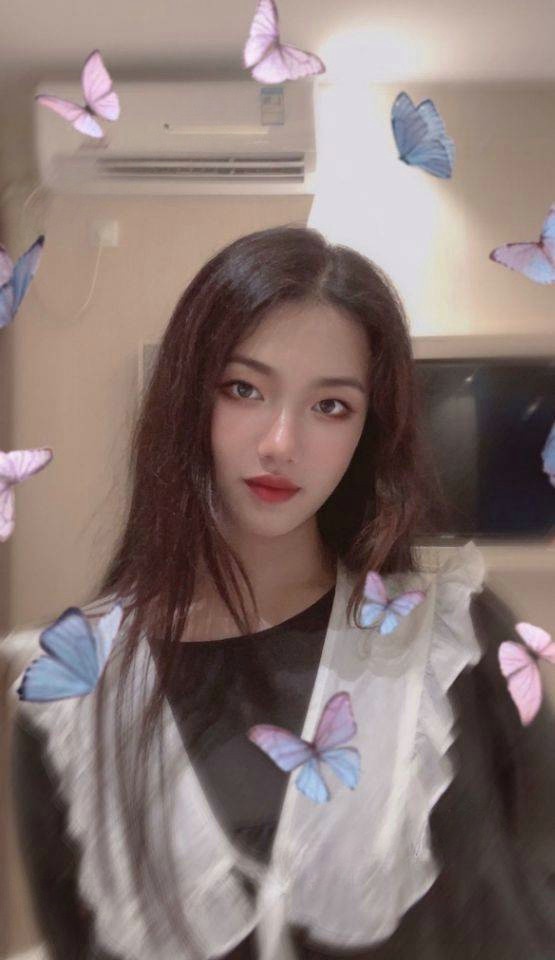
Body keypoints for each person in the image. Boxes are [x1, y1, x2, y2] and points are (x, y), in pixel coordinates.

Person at [10, 225, 555, 960]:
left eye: (331, 406)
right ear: (188, 400)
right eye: (243, 389)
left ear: (368, 431)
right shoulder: (77, 692)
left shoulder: (451, 640)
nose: (280, 443)